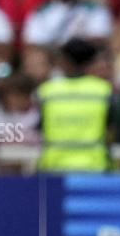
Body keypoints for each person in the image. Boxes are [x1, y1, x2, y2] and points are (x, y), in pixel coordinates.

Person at [36, 38, 113, 172]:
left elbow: (40, 129)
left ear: (64, 61)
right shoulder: (103, 90)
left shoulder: (47, 92)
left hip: (54, 167)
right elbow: (111, 132)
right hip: (94, 167)